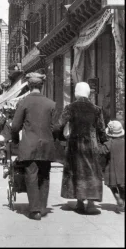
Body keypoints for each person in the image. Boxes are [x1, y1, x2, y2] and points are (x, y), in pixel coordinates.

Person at [54, 82, 107, 215]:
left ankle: (79, 202)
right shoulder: (97, 109)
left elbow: (58, 126)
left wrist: (60, 138)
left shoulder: (70, 108)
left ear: (76, 93)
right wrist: (104, 143)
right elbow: (101, 130)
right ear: (88, 93)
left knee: (76, 171)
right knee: (92, 172)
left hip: (75, 145)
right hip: (91, 145)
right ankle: (91, 202)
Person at [11, 72, 57, 221]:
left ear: (29, 86)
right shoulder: (51, 103)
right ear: (42, 86)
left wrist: (15, 142)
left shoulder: (23, 102)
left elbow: (15, 126)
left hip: (29, 146)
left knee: (31, 176)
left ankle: (35, 210)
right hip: (47, 146)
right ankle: (43, 207)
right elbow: (54, 127)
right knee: (44, 176)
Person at [99, 120, 125, 212]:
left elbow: (101, 151)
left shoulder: (109, 143)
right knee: (122, 186)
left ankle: (117, 197)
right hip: (123, 170)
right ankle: (122, 201)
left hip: (112, 170)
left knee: (112, 186)